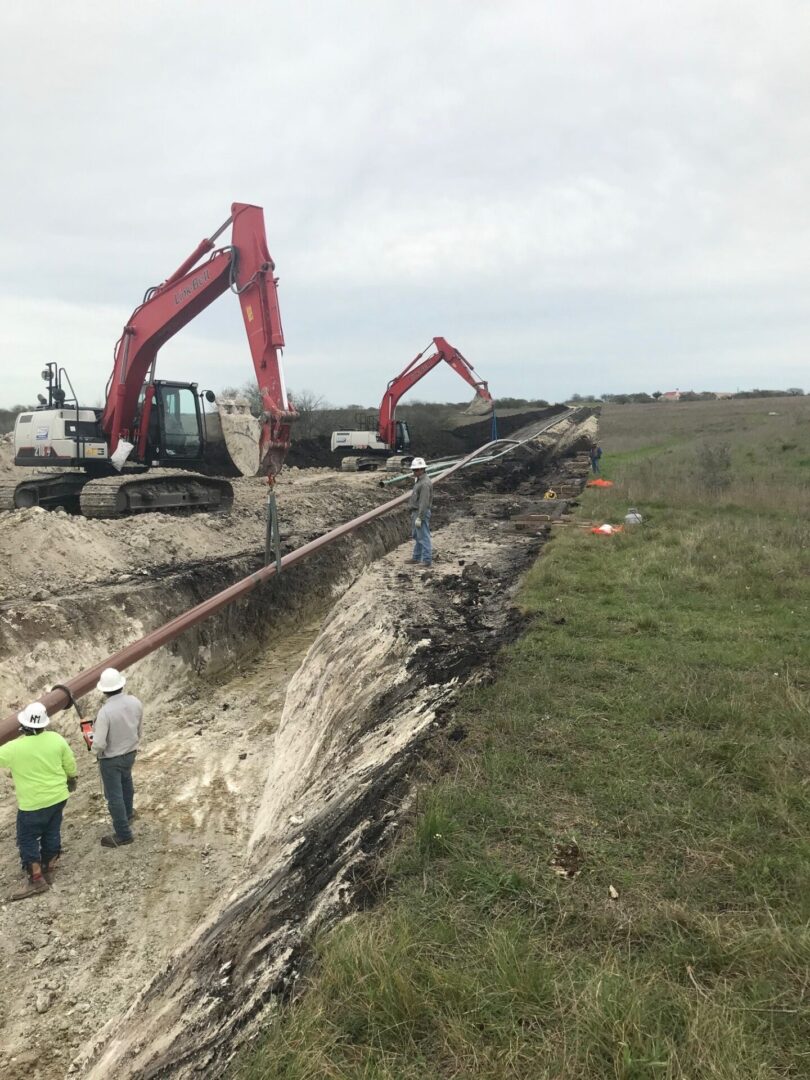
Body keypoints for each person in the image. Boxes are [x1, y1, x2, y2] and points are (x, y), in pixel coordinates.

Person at [0, 702, 77, 901]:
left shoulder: (14, 748)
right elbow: (70, 764)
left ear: (24, 726)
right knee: (52, 830)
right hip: (58, 797)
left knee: (27, 838)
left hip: (32, 804)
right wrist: (72, 778)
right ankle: (49, 867)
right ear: (43, 723)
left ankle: (36, 879)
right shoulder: (56, 739)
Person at [93, 667, 143, 848]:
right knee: (126, 784)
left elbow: (99, 744)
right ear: (121, 685)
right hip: (130, 754)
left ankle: (123, 834)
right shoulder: (135, 702)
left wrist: (94, 750)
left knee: (114, 796)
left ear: (104, 690)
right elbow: (139, 729)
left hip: (111, 759)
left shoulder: (105, 712)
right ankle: (128, 815)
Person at [408, 457, 433, 568]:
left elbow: (423, 502)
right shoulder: (419, 481)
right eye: (414, 470)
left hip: (420, 512)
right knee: (418, 536)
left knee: (423, 536)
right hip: (416, 512)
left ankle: (427, 560)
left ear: (422, 469)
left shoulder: (425, 484)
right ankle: (416, 557)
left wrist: (420, 517)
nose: (414, 472)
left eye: (416, 470)